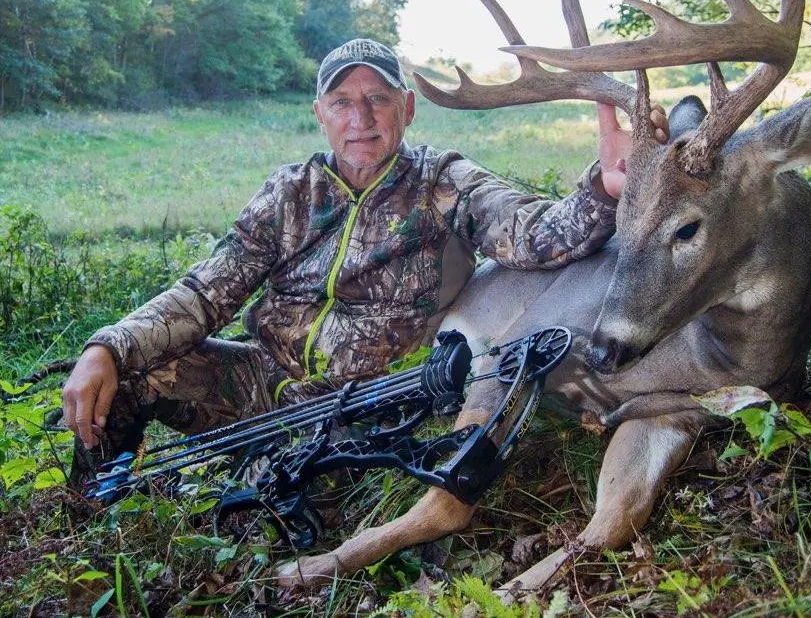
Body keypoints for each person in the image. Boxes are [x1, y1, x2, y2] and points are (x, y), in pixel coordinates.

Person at [62, 38, 666, 481]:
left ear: (406, 108)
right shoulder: (291, 193)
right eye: (343, 102)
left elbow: (531, 233)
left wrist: (603, 189)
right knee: (126, 379)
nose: (362, 118)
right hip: (258, 381)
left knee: (261, 512)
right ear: (321, 113)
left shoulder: (442, 182)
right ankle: (97, 510)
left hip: (362, 411)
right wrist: (107, 347)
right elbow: (203, 296)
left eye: (378, 99)